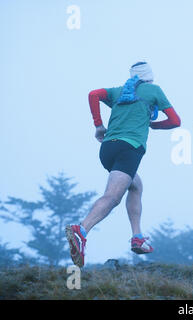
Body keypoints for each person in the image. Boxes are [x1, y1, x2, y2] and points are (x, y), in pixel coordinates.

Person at [65, 61, 180, 267]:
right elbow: (174, 121)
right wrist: (153, 124)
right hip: (129, 149)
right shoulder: (153, 90)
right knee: (113, 197)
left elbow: (93, 94)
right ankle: (81, 230)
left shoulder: (119, 92)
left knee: (135, 185)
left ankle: (137, 237)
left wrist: (99, 126)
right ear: (150, 77)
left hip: (108, 149)